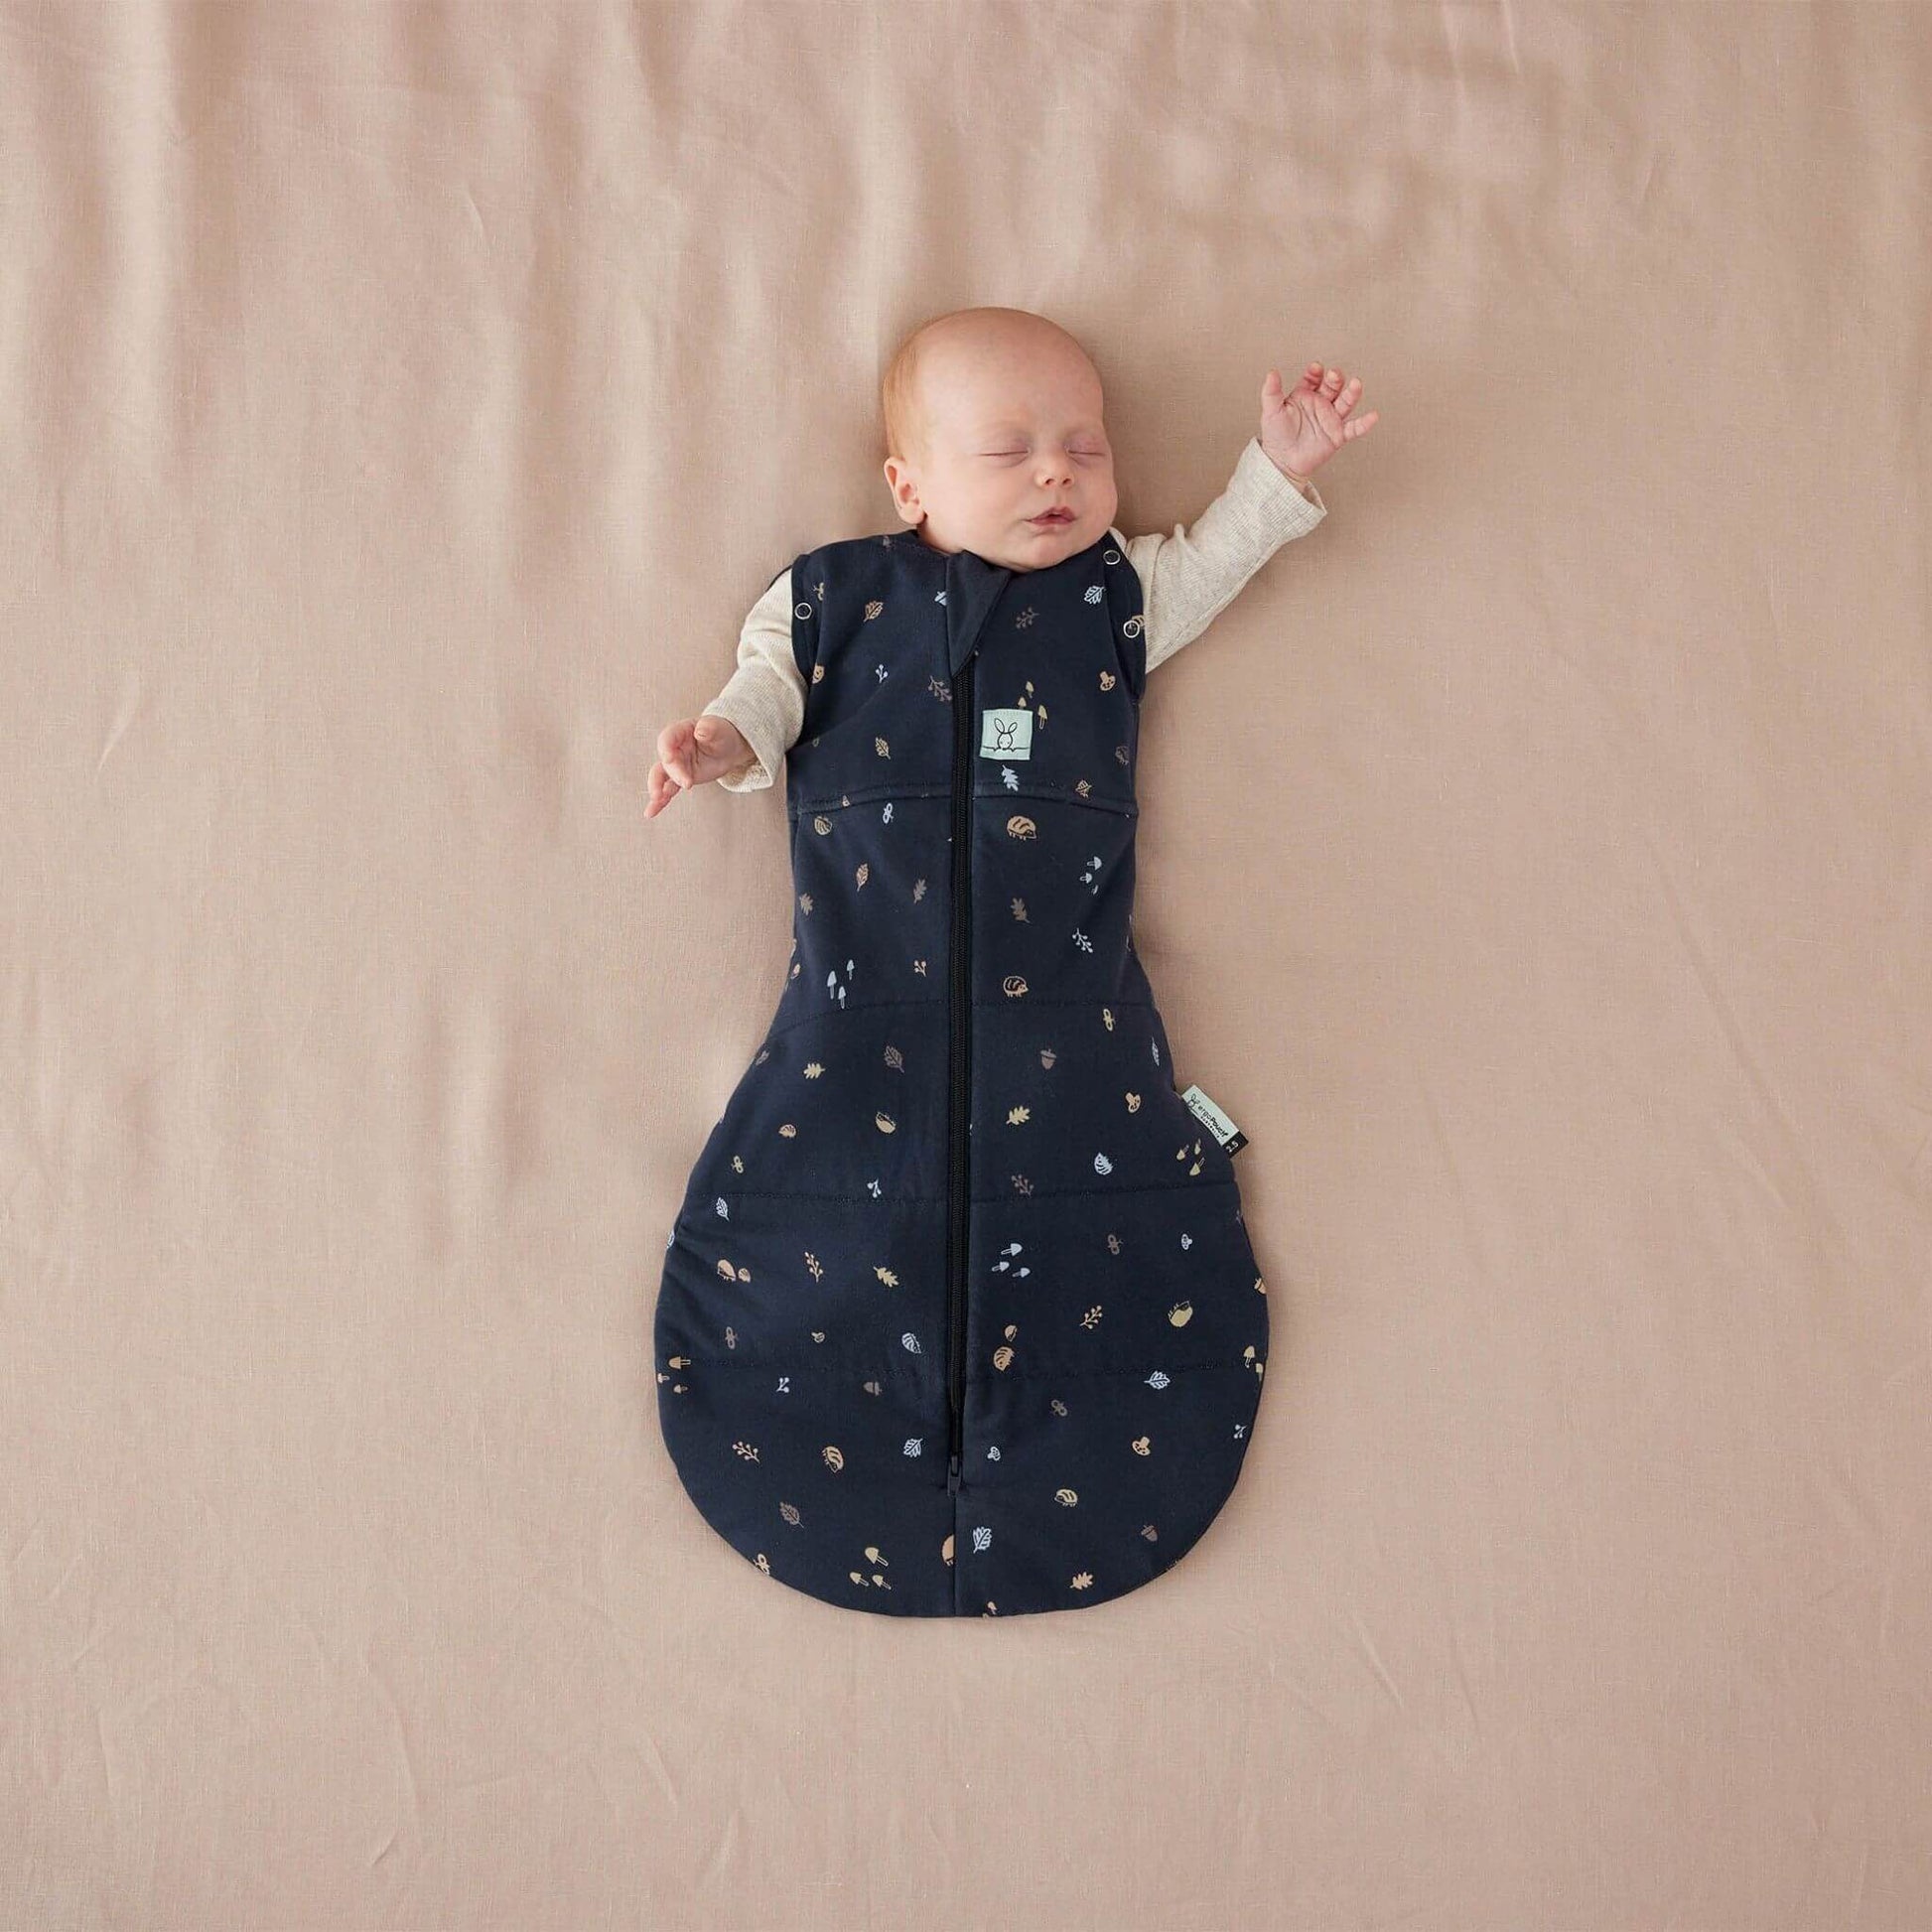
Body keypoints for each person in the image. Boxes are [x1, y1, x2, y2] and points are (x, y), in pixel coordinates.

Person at [644, 305, 1377, 815]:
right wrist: (726, 737)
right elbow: (774, 676)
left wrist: (1279, 467)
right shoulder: (836, 592)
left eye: (1085, 447)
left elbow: (1217, 559)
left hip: (1071, 987)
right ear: (910, 487)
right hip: (864, 972)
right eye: (1008, 450)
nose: (1057, 470)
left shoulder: (1113, 592)